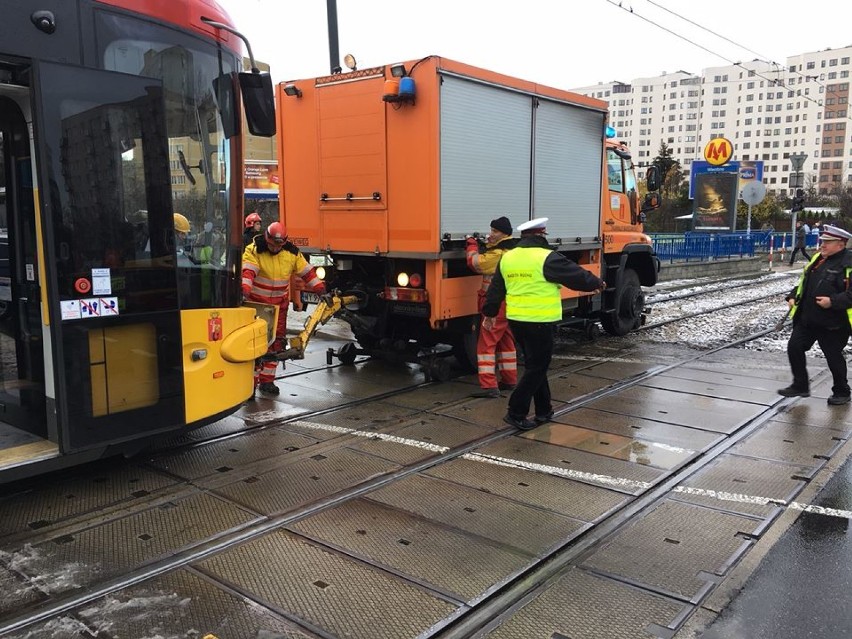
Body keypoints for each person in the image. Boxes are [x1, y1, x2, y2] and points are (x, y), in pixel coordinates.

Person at [482, 217, 606, 429]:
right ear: (541, 235)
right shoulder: (547, 257)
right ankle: (516, 412)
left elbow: (495, 290)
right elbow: (575, 274)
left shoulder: (509, 258)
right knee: (538, 367)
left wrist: (490, 314)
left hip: (516, 320)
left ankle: (544, 410)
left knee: (535, 365)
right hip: (540, 320)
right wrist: (597, 283)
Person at [242, 221, 326, 395]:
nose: (274, 249)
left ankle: (267, 381)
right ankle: (250, 386)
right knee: (255, 344)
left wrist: (321, 290)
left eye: (278, 246)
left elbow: (307, 272)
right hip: (258, 305)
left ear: (284, 242)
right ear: (267, 239)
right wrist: (244, 292)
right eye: (272, 245)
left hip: (278, 307)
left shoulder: (291, 252)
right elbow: (248, 272)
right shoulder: (254, 249)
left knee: (276, 344)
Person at [778, 224, 852, 406]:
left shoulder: (848, 264)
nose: (822, 245)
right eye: (822, 241)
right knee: (794, 347)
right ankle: (800, 385)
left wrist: (832, 302)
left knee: (833, 357)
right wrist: (793, 295)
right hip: (808, 319)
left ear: (841, 245)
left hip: (834, 323)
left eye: (827, 242)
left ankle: (842, 391)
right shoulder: (818, 259)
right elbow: (804, 282)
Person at [465, 216, 518, 398]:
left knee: (486, 344)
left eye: (495, 231)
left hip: (495, 304)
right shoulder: (510, 250)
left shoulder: (498, 254)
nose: (491, 234)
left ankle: (489, 386)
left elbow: (475, 264)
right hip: (507, 303)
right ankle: (509, 380)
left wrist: (471, 246)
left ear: (504, 234)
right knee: (506, 341)